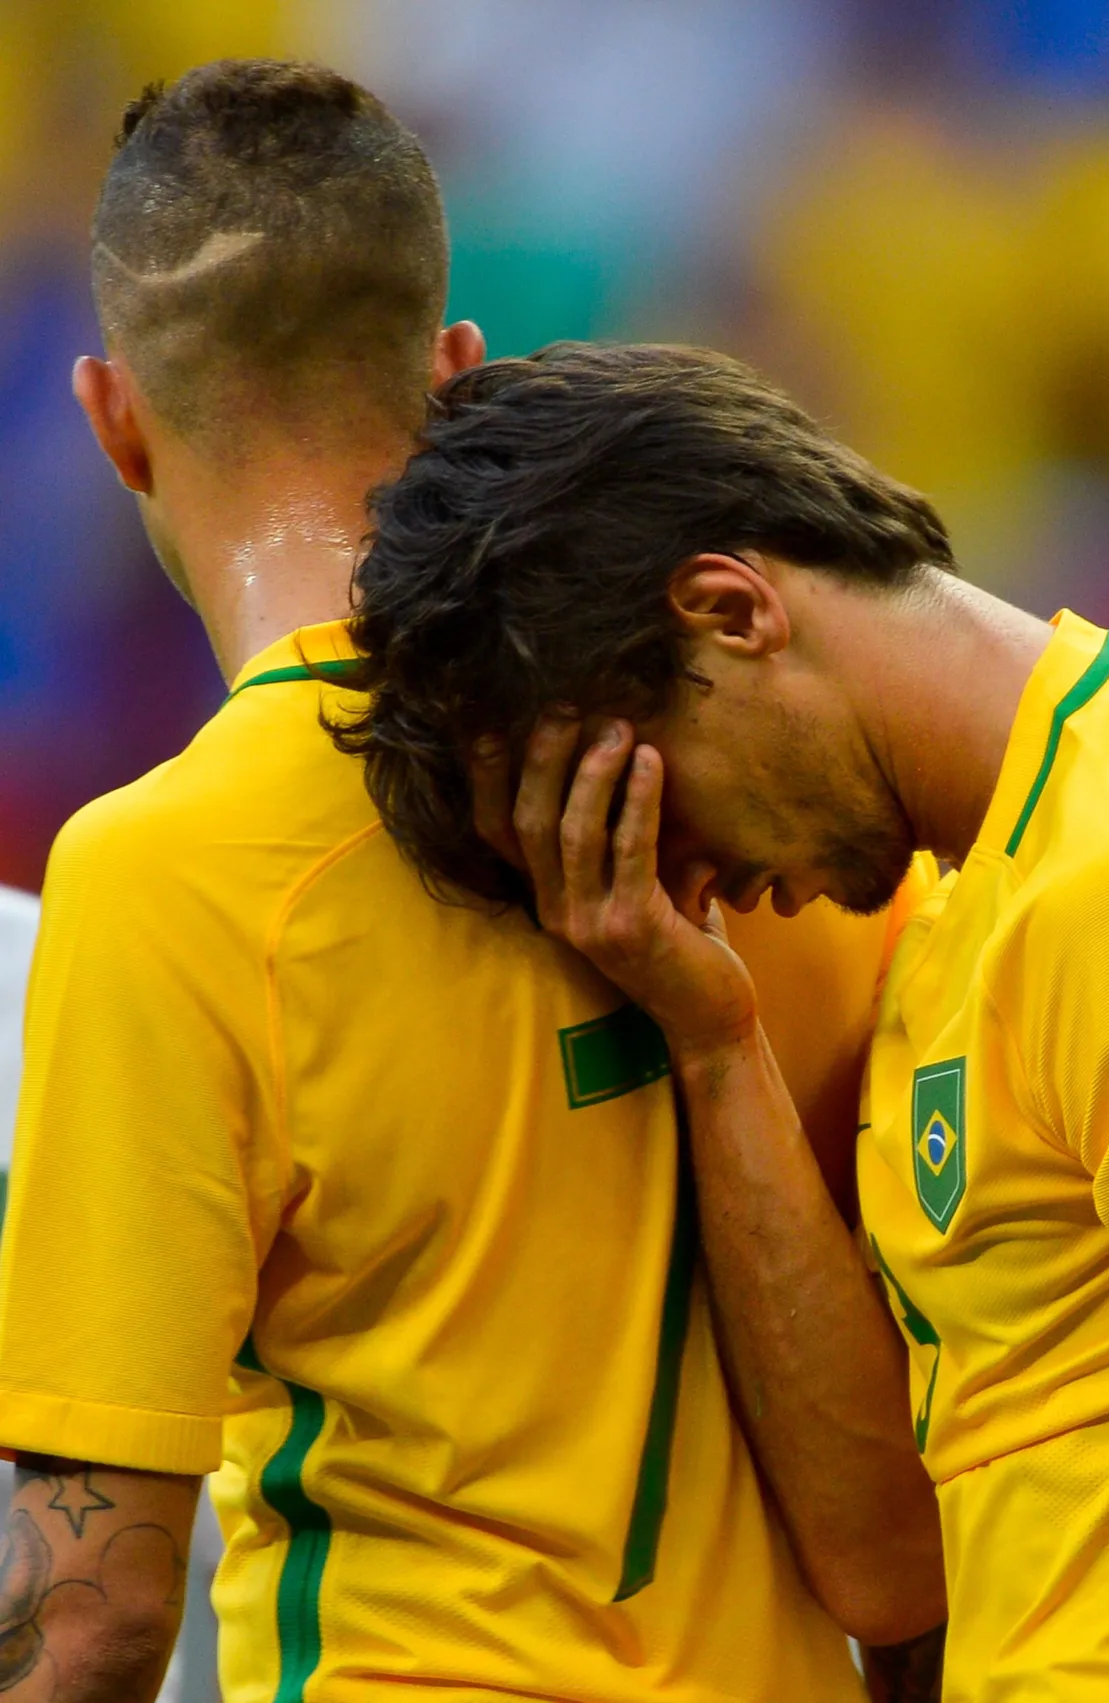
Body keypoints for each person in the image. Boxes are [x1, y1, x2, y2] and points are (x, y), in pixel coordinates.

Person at [335, 340, 1109, 1703]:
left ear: (731, 610)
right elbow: (899, 1575)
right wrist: (715, 1039)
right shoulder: (975, 902)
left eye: (656, 798)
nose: (682, 874)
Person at [0, 63, 941, 1702]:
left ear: (115, 419)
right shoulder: (746, 820)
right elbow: (896, 1558)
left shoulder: (161, 878)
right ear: (454, 374)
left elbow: (92, 1617)